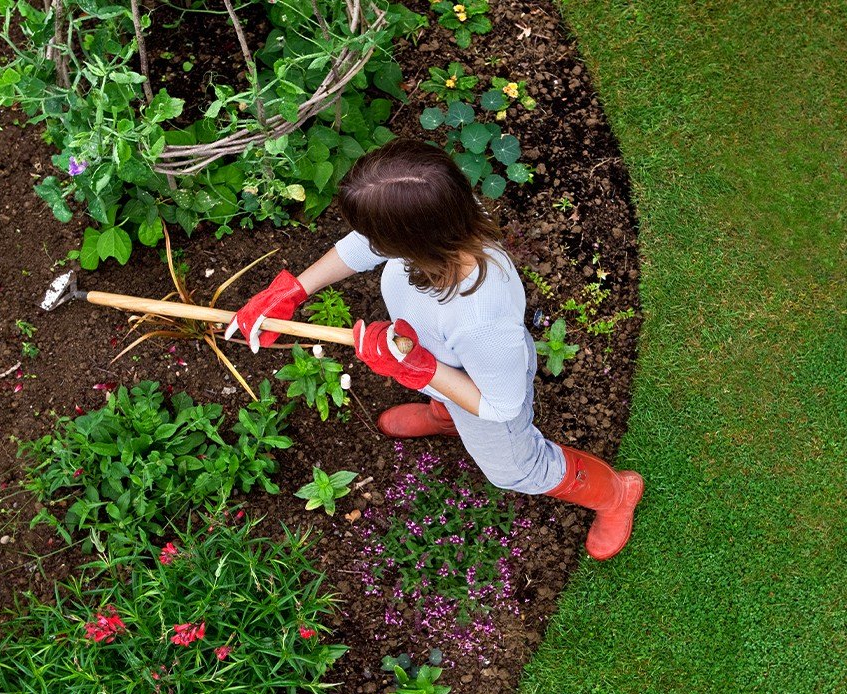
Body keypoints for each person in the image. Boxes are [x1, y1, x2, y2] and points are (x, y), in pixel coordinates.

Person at [225, 139, 643, 560]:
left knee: (516, 470)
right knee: (447, 395)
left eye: (377, 236)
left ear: (410, 241)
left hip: (486, 396)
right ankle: (446, 417)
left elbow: (501, 406)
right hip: (447, 366)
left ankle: (614, 494)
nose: (368, 243)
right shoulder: (444, 213)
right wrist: (295, 290)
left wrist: (418, 367)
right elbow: (363, 246)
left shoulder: (482, 321)